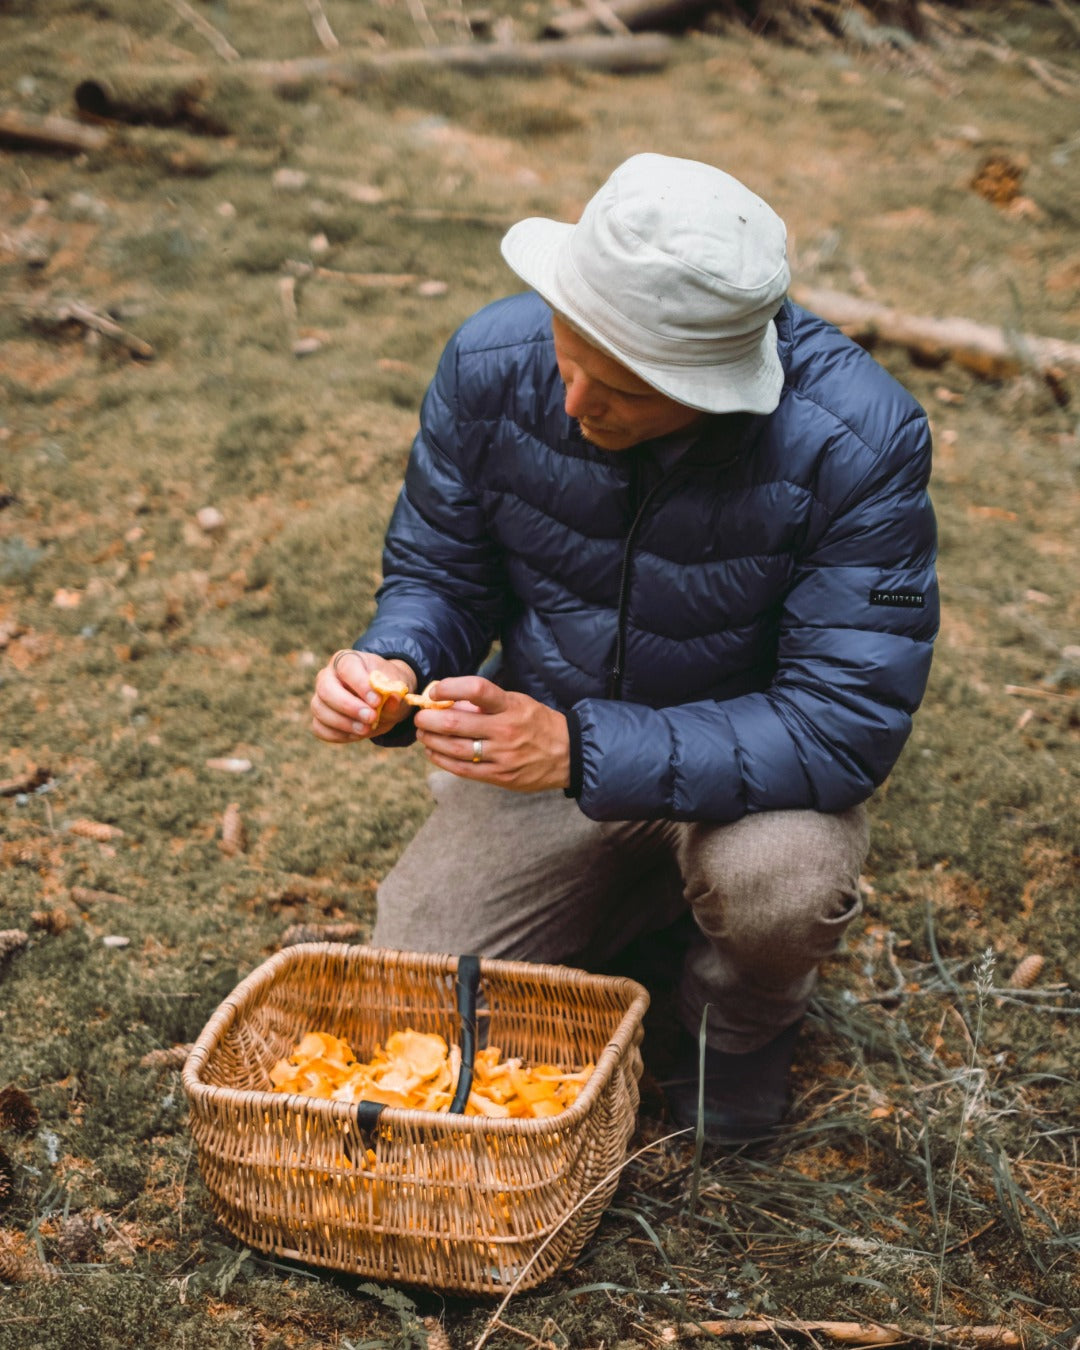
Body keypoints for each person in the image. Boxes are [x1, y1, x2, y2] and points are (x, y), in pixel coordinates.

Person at [310, 153, 938, 1142]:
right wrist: (397, 663)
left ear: (720, 384)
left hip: (752, 782)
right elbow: (441, 571)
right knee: (417, 991)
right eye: (567, 354)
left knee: (785, 889)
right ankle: (642, 902)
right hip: (545, 753)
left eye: (625, 393)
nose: (572, 404)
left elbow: (844, 722)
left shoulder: (857, 442)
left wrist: (584, 751)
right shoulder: (489, 363)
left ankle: (731, 1024)